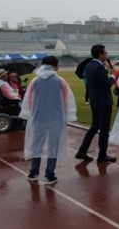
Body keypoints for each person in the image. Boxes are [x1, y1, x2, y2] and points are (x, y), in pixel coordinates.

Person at [21, 56, 77, 185]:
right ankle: (49, 174)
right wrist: (69, 115)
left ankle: (33, 172)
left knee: (36, 145)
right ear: (55, 66)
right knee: (53, 146)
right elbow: (67, 100)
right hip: (55, 118)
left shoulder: (35, 81)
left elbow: (29, 100)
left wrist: (29, 114)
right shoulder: (60, 81)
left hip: (38, 118)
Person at [75, 44, 117, 163]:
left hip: (94, 100)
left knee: (94, 127)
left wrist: (106, 70)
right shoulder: (99, 67)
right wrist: (113, 75)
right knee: (104, 129)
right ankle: (102, 155)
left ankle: (82, 150)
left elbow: (98, 80)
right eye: (105, 53)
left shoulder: (89, 65)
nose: (107, 54)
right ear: (100, 54)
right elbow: (107, 84)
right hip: (103, 101)